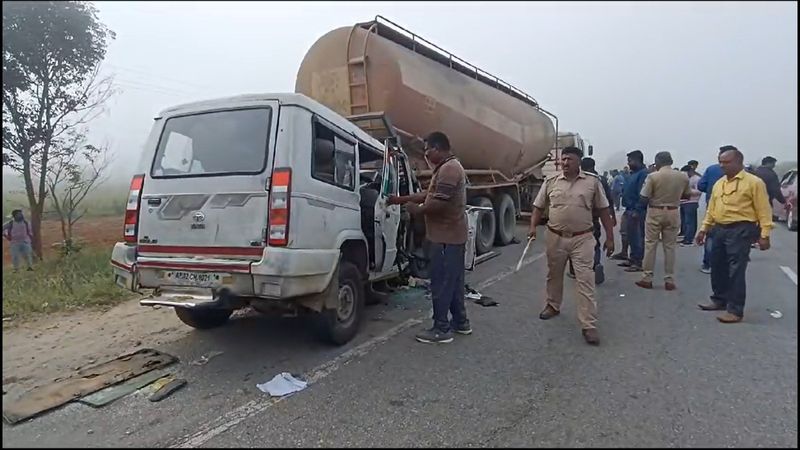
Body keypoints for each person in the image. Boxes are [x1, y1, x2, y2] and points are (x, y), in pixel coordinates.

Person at [388, 131, 470, 344]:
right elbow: (429, 194)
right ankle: (461, 322)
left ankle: (441, 329)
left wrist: (417, 211)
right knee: (453, 282)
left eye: (427, 150)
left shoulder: (450, 170)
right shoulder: (445, 167)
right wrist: (400, 199)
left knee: (441, 283)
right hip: (451, 237)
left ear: (437, 148)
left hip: (446, 238)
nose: (426, 154)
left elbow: (438, 203)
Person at [528, 146, 614, 345]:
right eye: (563, 159)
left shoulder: (592, 183)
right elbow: (538, 207)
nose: (565, 163)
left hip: (582, 238)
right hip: (555, 236)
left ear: (579, 162)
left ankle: (588, 324)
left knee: (585, 279)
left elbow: (603, 211)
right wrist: (532, 227)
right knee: (554, 274)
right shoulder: (551, 181)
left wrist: (610, 237)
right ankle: (553, 305)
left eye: (570, 160)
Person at [695, 148, 773, 323]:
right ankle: (719, 299)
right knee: (717, 266)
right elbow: (712, 209)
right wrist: (703, 229)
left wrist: (765, 234)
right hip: (719, 228)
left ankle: (735, 309)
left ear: (739, 162)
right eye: (720, 162)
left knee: (736, 270)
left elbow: (764, 210)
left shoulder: (754, 182)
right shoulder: (719, 183)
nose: (722, 165)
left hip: (741, 229)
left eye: (727, 162)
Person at [635, 152, 691, 291]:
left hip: (655, 210)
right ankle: (669, 279)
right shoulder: (682, 176)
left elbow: (643, 197)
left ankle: (647, 278)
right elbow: (687, 194)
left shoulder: (653, 176)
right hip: (673, 210)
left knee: (650, 245)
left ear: (657, 162)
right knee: (670, 247)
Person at [567, 157, 616, 284]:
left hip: (581, 217)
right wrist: (613, 216)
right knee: (595, 243)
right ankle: (596, 264)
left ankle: (575, 270)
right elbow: (609, 200)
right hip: (596, 217)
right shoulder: (602, 180)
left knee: (575, 244)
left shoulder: (581, 180)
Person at [697, 147, 728, 273]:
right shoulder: (744, 173)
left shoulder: (712, 169)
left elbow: (701, 185)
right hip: (737, 215)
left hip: (714, 209)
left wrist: (711, 190)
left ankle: (708, 264)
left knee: (711, 236)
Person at [618, 151, 648, 272]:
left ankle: (637, 262)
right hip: (629, 209)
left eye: (630, 161)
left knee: (637, 236)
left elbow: (643, 193)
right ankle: (631, 258)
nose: (628, 163)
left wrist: (638, 209)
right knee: (629, 235)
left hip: (636, 210)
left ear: (637, 160)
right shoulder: (633, 174)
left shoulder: (643, 174)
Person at [679, 165, 702, 246]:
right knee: (685, 222)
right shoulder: (687, 179)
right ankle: (686, 237)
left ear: (690, 171)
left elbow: (699, 191)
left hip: (691, 202)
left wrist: (688, 191)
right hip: (683, 202)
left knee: (690, 222)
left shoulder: (697, 179)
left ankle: (689, 239)